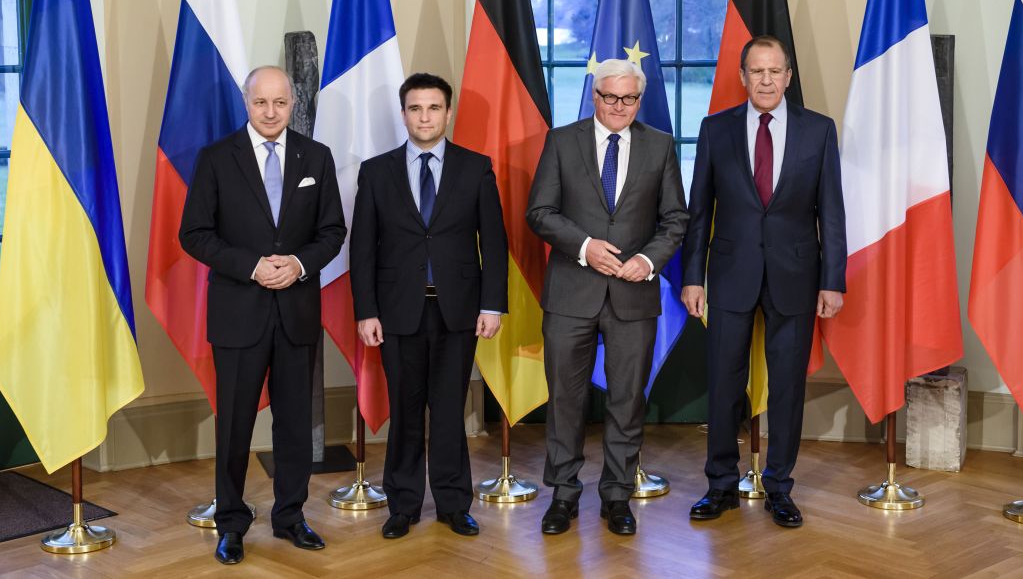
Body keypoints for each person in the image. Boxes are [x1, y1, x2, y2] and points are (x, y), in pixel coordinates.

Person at [180, 65, 346, 564]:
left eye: (279, 103)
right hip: (239, 313)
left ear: (292, 103)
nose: (270, 112)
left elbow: (333, 231)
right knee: (233, 424)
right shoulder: (215, 159)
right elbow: (195, 234)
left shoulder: (316, 156)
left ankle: (290, 516)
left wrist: (296, 264)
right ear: (246, 103)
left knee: (295, 423)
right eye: (260, 103)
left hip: (296, 311)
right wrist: (252, 267)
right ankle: (231, 522)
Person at [681, 35, 847, 529]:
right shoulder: (716, 129)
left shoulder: (819, 131)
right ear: (743, 76)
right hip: (730, 275)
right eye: (757, 71)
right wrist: (693, 278)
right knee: (723, 384)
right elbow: (698, 213)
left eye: (775, 71)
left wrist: (832, 280)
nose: (767, 80)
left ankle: (779, 487)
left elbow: (832, 212)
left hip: (797, 277)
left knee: (788, 388)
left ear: (789, 76)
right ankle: (721, 487)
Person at [526, 58, 688, 537]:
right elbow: (539, 211)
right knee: (565, 400)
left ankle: (617, 495)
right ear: (594, 96)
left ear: (640, 100)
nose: (620, 107)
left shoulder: (659, 145)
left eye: (630, 98)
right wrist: (584, 247)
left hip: (633, 295)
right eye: (610, 97)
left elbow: (676, 218)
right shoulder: (562, 141)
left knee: (626, 400)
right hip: (570, 293)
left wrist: (650, 260)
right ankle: (563, 495)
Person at [350, 73, 508, 540]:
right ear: (404, 114)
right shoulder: (376, 172)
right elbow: (363, 248)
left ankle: (454, 504)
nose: (424, 117)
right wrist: (366, 310)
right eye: (416, 108)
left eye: (433, 108)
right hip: (397, 312)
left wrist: (492, 305)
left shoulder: (475, 168)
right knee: (405, 408)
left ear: (447, 112)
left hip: (457, 311)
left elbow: (493, 244)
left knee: (448, 408)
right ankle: (402, 505)